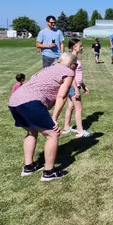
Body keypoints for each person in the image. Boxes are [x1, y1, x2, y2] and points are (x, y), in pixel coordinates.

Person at [8, 52, 78, 181]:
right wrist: (54, 118)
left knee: (31, 131)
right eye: (76, 64)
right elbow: (61, 96)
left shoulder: (47, 68)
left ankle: (29, 167)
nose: (76, 67)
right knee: (53, 134)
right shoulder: (68, 72)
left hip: (14, 101)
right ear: (70, 64)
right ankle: (49, 172)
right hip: (31, 103)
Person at [62, 39, 92, 138]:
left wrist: (83, 86)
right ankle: (80, 131)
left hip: (75, 85)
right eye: (80, 46)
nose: (82, 47)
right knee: (79, 108)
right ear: (74, 46)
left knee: (71, 106)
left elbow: (77, 75)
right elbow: (71, 75)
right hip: (73, 86)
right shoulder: (72, 58)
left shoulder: (74, 57)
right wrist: (76, 89)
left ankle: (66, 128)